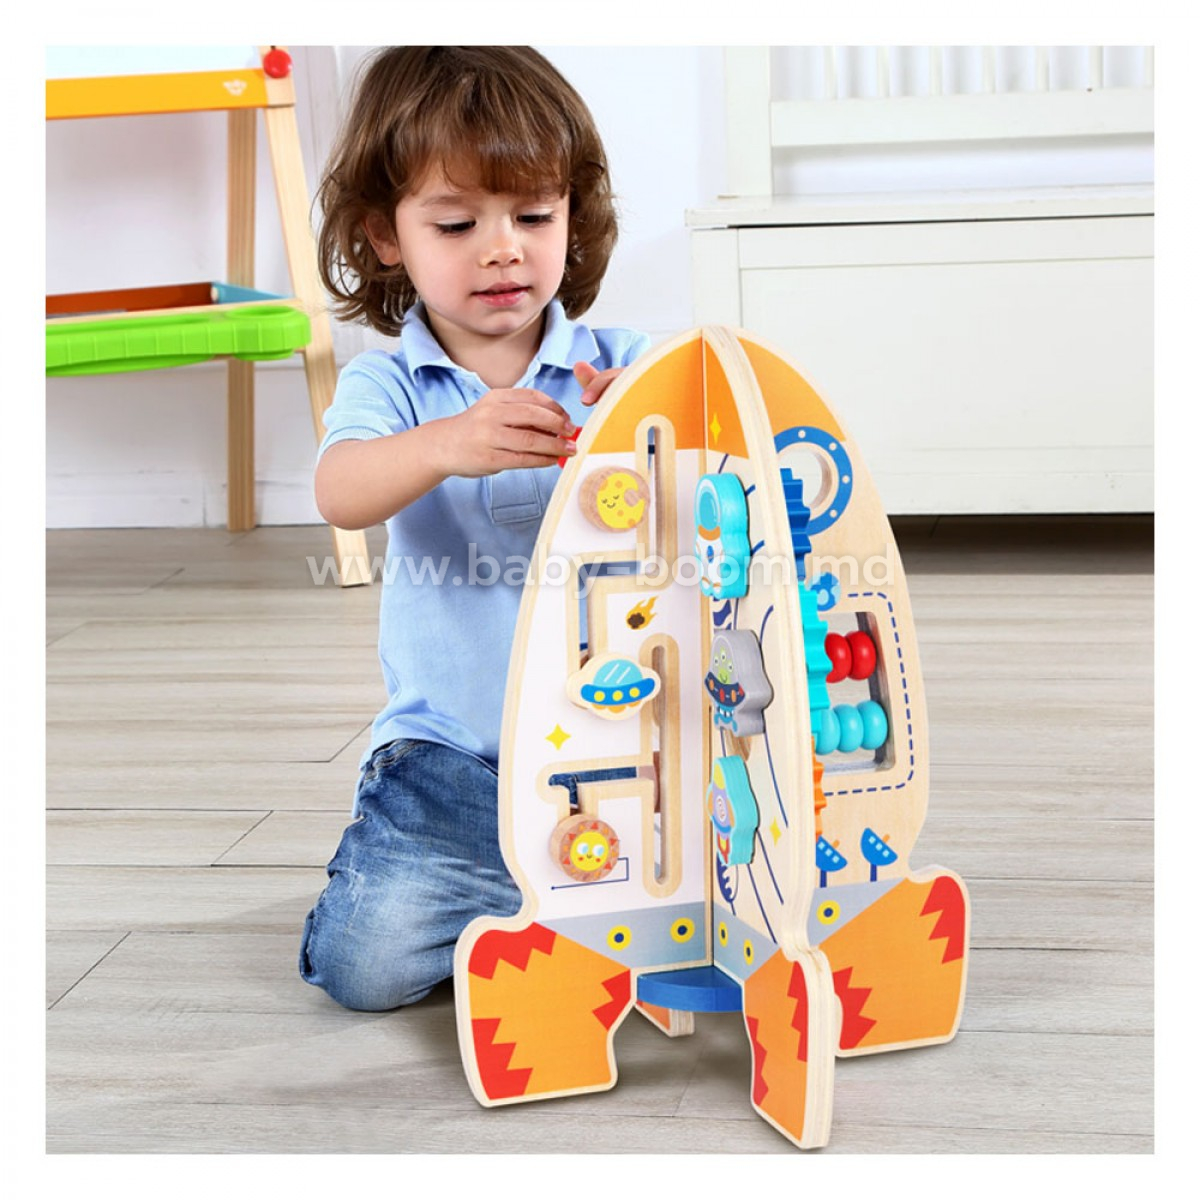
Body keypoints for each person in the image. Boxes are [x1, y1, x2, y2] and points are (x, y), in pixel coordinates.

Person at [299, 46, 650, 1011]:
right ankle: (529, 893)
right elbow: (339, 491)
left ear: (573, 217)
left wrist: (647, 426)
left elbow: (718, 484)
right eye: (457, 224)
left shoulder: (624, 363)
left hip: (621, 746)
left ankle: (539, 895)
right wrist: (445, 444)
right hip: (453, 760)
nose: (503, 249)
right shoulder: (389, 383)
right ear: (385, 235)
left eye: (534, 216)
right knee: (364, 966)